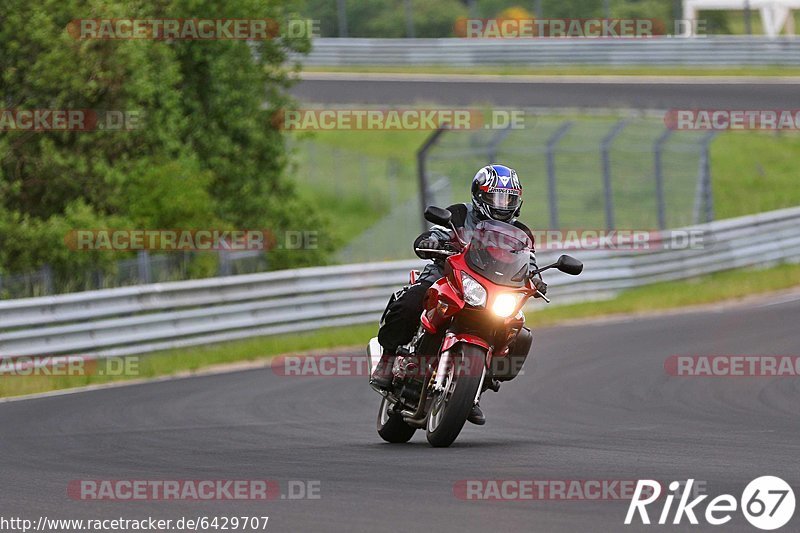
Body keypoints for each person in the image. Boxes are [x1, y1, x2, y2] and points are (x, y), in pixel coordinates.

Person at [370, 164, 546, 425]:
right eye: (496, 196)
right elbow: (439, 230)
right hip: (448, 273)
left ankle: (471, 390)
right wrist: (432, 241)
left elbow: (527, 262)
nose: (502, 204)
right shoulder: (460, 213)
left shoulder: (522, 233)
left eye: (508, 198)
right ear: (479, 195)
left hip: (493, 288)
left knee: (517, 332)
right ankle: (388, 357)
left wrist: (537, 278)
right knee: (411, 301)